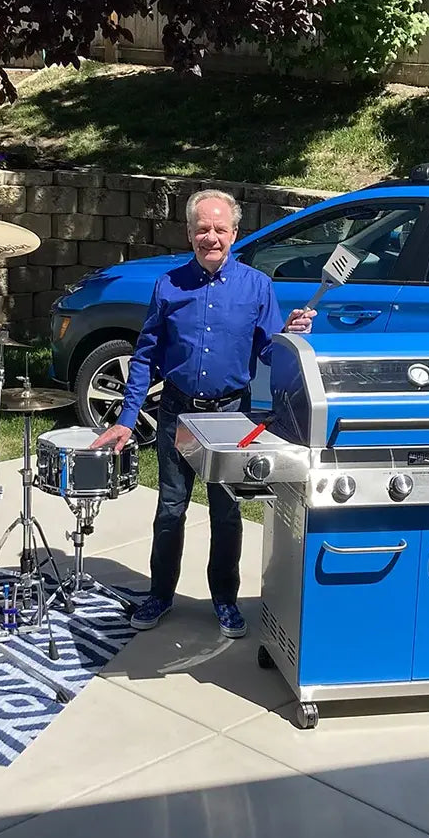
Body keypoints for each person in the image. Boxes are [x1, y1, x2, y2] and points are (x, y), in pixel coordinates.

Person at [90, 189, 314, 637]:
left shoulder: (257, 286)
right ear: (189, 232)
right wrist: (126, 417)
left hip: (232, 416)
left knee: (226, 513)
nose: (210, 237)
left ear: (234, 233)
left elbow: (270, 352)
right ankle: (159, 594)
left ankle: (225, 600)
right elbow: (146, 354)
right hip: (176, 413)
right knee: (170, 508)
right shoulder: (169, 285)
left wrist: (289, 334)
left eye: (219, 229)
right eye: (201, 229)